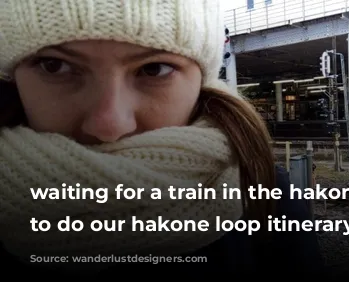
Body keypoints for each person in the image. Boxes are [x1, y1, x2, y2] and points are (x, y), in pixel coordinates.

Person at [0, 0, 326, 279]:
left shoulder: (264, 193)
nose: (110, 125)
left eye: (154, 69)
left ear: (202, 80)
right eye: (55, 66)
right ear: (13, 78)